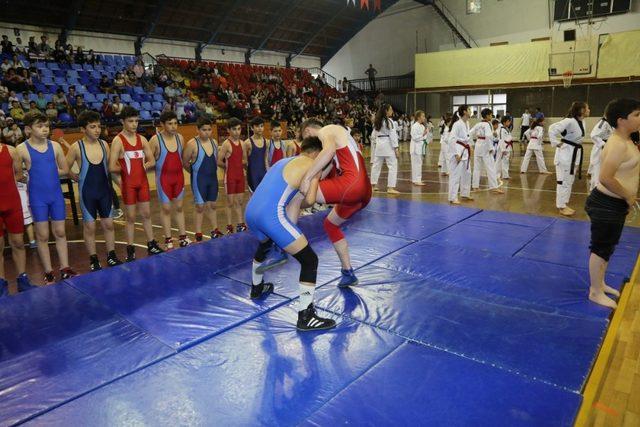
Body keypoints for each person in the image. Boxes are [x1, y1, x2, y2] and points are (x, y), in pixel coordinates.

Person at [246, 136, 335, 330]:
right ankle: (306, 316)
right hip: (270, 216)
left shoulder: (284, 161)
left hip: (251, 212)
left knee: (266, 243)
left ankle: (256, 287)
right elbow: (310, 201)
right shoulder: (313, 166)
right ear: (317, 154)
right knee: (310, 260)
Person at [297, 119, 372, 287]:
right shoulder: (340, 137)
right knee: (330, 224)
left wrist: (307, 177)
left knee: (298, 194)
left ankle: (280, 236)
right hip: (363, 192)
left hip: (351, 184)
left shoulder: (327, 130)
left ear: (308, 131)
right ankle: (347, 272)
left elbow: (328, 152)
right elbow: (326, 168)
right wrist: (313, 179)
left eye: (306, 137)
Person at [585, 98, 640, 309]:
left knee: (608, 247)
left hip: (615, 204)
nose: (639, 118)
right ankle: (595, 291)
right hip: (605, 203)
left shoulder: (627, 141)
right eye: (636, 115)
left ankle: (600, 283)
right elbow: (606, 177)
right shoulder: (617, 144)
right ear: (621, 120)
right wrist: (628, 196)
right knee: (601, 248)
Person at [16, 111, 76, 284]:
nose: (44, 129)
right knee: (42, 235)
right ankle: (48, 271)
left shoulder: (55, 146)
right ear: (28, 129)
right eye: (39, 126)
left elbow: (65, 170)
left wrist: (49, 171)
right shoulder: (21, 149)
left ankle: (65, 268)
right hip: (37, 197)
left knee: (60, 232)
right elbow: (16, 173)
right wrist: (25, 175)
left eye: (46, 126)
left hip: (55, 195)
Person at [65, 111, 123, 271]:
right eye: (92, 127)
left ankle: (111, 255)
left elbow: (111, 169)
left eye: (98, 126)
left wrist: (120, 184)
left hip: (104, 191)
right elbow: (65, 167)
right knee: (89, 227)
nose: (97, 130)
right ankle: (93, 259)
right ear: (83, 129)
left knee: (109, 224)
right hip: (87, 193)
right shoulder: (76, 147)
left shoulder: (104, 145)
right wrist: (75, 177)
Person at [108, 106, 163, 261]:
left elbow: (152, 160)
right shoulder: (118, 141)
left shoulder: (142, 139)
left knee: (146, 214)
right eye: (130, 121)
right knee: (130, 217)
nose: (134, 124)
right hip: (129, 184)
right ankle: (130, 249)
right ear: (122, 121)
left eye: (136, 121)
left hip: (142, 183)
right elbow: (111, 166)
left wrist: (143, 166)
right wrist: (124, 176)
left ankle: (151, 243)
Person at [0, 140, 36, 297]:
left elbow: (19, 174)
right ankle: (1, 283)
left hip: (12, 202)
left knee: (18, 243)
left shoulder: (11, 151)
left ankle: (22, 278)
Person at [149, 111, 189, 249]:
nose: (173, 126)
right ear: (162, 124)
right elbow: (148, 160)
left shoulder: (180, 138)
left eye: (175, 123)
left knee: (179, 207)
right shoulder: (155, 140)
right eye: (170, 124)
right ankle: (168, 238)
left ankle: (183, 237)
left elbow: (181, 159)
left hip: (178, 178)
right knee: (166, 208)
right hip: (163, 179)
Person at [182, 116, 223, 242]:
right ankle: (198, 233)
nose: (207, 132)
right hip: (199, 179)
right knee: (200, 207)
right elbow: (185, 162)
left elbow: (214, 161)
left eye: (209, 129)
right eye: (204, 129)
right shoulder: (192, 144)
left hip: (212, 179)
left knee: (213, 205)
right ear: (197, 130)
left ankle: (215, 230)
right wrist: (194, 173)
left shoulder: (214, 143)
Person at [549, 101, 590, 217]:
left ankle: (564, 204)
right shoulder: (569, 121)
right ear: (581, 110)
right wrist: (556, 143)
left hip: (574, 153)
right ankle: (561, 206)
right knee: (563, 181)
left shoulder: (582, 121)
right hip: (565, 154)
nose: (589, 110)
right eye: (587, 108)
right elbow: (552, 129)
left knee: (569, 181)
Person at [218, 117, 247, 234]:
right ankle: (229, 226)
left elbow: (244, 159)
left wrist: (241, 164)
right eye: (234, 129)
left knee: (240, 201)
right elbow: (218, 160)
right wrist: (227, 167)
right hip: (230, 177)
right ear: (229, 130)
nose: (237, 132)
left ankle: (240, 224)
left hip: (240, 176)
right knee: (230, 202)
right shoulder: (226, 144)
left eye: (239, 129)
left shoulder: (243, 143)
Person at [470, 108, 503, 194]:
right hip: (485, 146)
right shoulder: (488, 124)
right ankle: (494, 187)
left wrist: (471, 145)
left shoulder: (478, 124)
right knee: (490, 166)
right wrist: (490, 148)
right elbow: (488, 136)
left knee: (477, 167)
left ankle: (475, 186)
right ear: (488, 115)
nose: (491, 116)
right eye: (491, 115)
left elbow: (470, 133)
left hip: (478, 144)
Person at [370, 103, 399, 194]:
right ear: (386, 111)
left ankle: (373, 186)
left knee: (376, 166)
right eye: (390, 110)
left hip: (379, 144)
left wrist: (375, 144)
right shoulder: (389, 121)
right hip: (388, 144)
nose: (392, 111)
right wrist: (396, 148)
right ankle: (390, 188)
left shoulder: (377, 121)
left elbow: (373, 135)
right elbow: (393, 136)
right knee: (392, 166)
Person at [448, 105, 473, 205]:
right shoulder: (457, 124)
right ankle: (453, 197)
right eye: (469, 110)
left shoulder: (467, 123)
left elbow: (467, 137)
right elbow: (451, 140)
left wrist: (471, 146)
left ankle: (465, 193)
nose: (471, 111)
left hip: (465, 151)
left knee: (467, 173)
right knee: (455, 175)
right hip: (458, 151)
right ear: (464, 112)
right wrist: (455, 154)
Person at [588, 116, 613, 191]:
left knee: (599, 174)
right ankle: (597, 192)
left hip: (606, 147)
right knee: (598, 174)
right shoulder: (603, 123)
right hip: (600, 150)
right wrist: (603, 144)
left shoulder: (610, 122)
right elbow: (593, 135)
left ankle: (593, 192)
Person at [244, 116, 268, 192]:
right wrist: (248, 173)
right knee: (253, 197)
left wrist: (268, 171)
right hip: (252, 174)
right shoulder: (247, 143)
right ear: (252, 128)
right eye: (257, 126)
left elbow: (265, 158)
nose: (260, 128)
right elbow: (244, 161)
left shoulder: (266, 142)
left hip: (263, 173)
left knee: (263, 196)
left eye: (261, 126)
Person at [410, 110, 428, 186]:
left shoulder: (422, 126)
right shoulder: (415, 126)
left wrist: (425, 135)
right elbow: (415, 138)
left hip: (420, 147)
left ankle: (416, 179)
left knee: (418, 164)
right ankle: (417, 180)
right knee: (417, 164)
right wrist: (423, 134)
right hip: (415, 148)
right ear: (418, 117)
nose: (424, 117)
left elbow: (425, 137)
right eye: (423, 116)